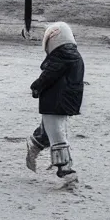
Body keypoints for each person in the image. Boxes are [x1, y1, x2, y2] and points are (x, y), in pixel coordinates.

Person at [26, 22, 85, 183]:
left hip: (54, 101)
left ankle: (35, 146)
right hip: (64, 102)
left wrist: (36, 87)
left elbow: (48, 75)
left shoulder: (60, 57)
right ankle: (65, 169)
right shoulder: (75, 56)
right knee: (57, 132)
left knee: (53, 130)